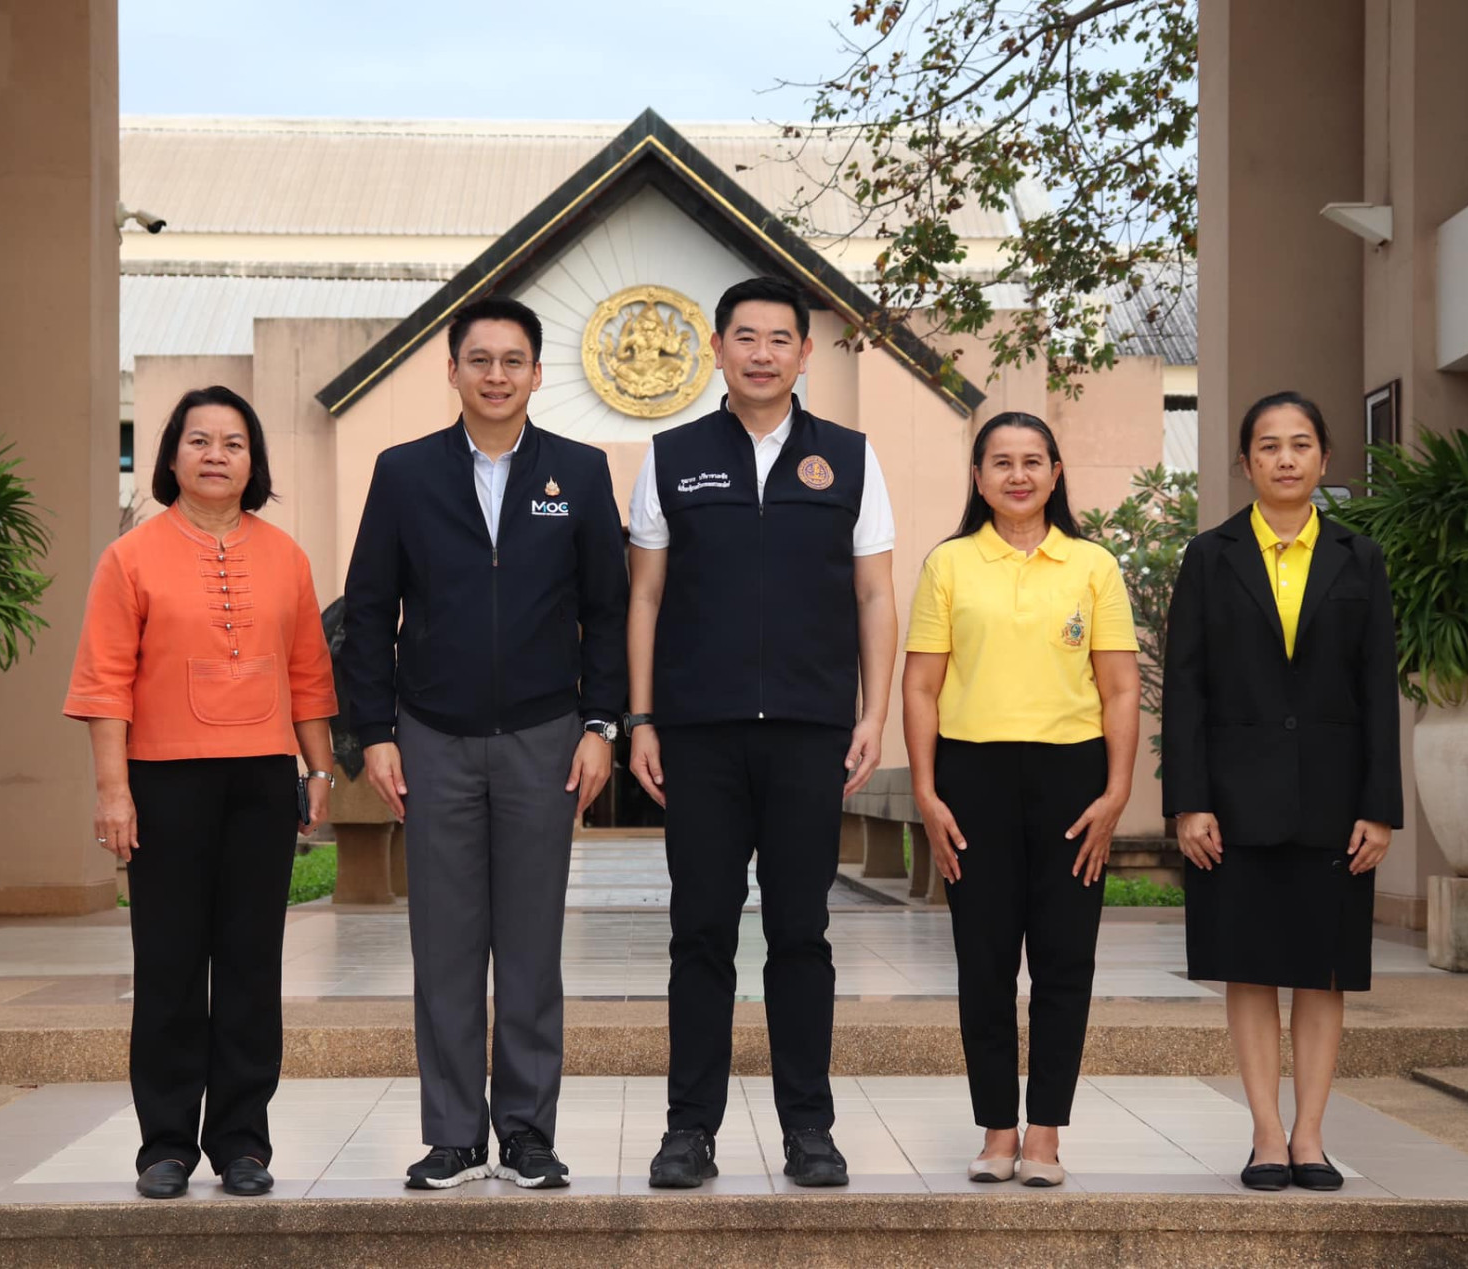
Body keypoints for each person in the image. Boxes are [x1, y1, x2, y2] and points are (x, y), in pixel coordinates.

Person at [342, 295, 628, 1191]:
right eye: (480, 359)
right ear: (453, 369)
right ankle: (455, 1135)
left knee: (533, 943)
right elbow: (366, 608)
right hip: (433, 736)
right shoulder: (404, 472)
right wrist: (375, 735)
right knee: (447, 943)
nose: (496, 374)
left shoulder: (577, 473)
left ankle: (529, 1132)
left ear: (538, 373)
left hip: (545, 736)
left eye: (513, 360)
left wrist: (600, 724)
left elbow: (607, 612)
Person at [625, 276, 898, 1189]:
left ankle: (808, 1131)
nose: (762, 353)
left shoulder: (849, 459)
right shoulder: (670, 455)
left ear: (804, 353)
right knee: (699, 931)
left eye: (780, 338)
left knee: (801, 933)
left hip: (808, 733)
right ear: (716, 348)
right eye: (745, 337)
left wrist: (871, 712)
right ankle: (687, 1131)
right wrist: (641, 718)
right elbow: (646, 596)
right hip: (698, 734)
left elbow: (872, 593)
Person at [64, 385, 338, 1201]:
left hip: (260, 777)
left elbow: (309, 673)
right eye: (198, 440)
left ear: (254, 462)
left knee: (252, 964)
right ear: (171, 456)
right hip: (163, 779)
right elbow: (105, 682)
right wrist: (114, 792)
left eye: (233, 442)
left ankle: (244, 1141)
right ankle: (166, 1146)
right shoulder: (131, 556)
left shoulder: (285, 555)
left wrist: (317, 769)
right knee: (172, 963)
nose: (215, 454)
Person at [1161, 390, 1401, 1193]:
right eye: (1268, 446)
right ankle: (1265, 1132)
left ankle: (1311, 1135)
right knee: (1250, 966)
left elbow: (1376, 691)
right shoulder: (1209, 555)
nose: (1286, 458)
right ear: (1245, 462)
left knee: (1323, 970)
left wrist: (1378, 806)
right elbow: (1185, 689)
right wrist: (1187, 800)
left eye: (1301, 444)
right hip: (1232, 801)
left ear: (1324, 460)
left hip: (1334, 804)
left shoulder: (1358, 558)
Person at [901, 412, 1141, 1188]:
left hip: (1073, 779)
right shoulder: (948, 564)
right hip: (972, 779)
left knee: (1066, 962)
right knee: (984, 962)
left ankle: (1045, 1133)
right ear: (977, 479)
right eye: (999, 462)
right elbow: (921, 686)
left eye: (1032, 460)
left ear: (1056, 471)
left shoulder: (1093, 565)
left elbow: (1119, 689)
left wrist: (1116, 792)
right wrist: (927, 792)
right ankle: (996, 1129)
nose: (1017, 474)